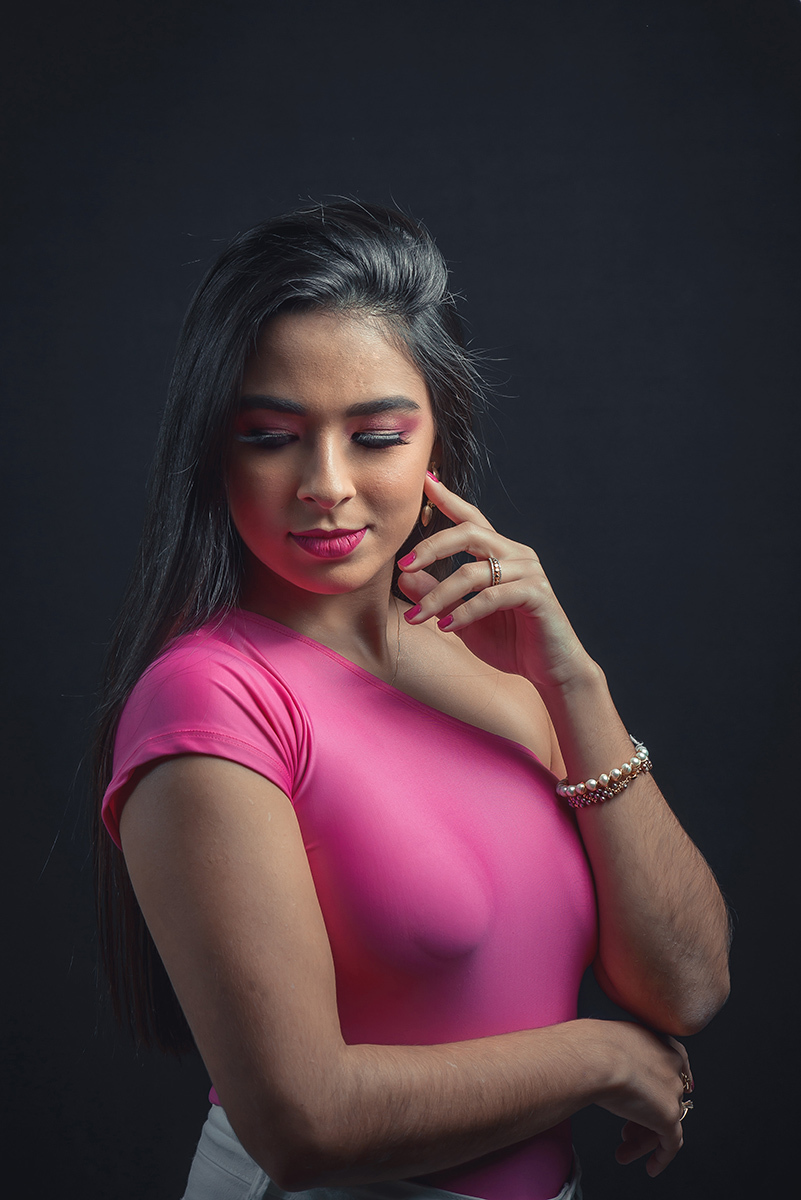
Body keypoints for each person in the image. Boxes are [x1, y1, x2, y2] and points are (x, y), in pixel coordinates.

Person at [92, 201, 730, 1200]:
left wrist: (574, 685)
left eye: (377, 434)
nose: (326, 484)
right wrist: (599, 1058)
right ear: (215, 448)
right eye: (271, 436)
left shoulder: (496, 662)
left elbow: (688, 986)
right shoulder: (210, 696)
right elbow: (301, 1123)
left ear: (437, 436)